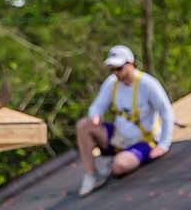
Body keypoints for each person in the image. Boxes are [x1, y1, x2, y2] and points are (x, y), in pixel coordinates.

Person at [75, 45, 176, 197]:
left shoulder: (148, 84)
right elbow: (97, 106)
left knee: (120, 167)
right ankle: (91, 175)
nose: (116, 73)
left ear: (130, 63)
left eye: (119, 68)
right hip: (119, 137)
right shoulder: (112, 83)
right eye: (112, 69)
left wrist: (164, 144)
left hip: (143, 140)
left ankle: (116, 161)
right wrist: (95, 116)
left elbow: (166, 111)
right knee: (83, 125)